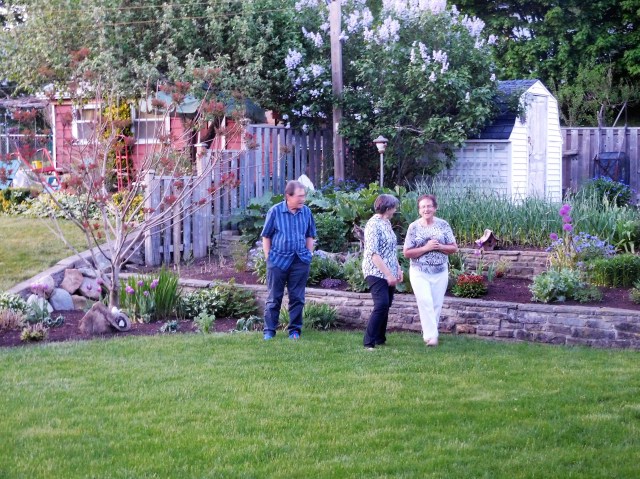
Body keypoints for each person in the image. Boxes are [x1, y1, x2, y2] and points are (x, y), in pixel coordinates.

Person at [261, 180, 317, 340]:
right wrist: (268, 258)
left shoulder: (306, 212)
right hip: (277, 261)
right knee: (274, 298)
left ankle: (294, 331)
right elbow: (266, 236)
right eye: (299, 196)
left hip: (300, 261)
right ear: (288, 196)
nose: (303, 199)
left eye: (304, 196)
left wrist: (309, 255)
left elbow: (310, 234)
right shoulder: (275, 211)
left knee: (297, 298)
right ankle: (269, 331)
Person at [403, 194, 458, 347]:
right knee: (425, 301)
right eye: (423, 207)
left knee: (436, 304)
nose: (426, 209)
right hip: (419, 271)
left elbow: (454, 247)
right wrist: (425, 248)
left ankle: (431, 334)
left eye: (429, 206)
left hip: (440, 271)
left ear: (435, 208)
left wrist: (440, 247)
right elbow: (407, 252)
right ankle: (432, 336)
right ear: (419, 210)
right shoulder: (413, 227)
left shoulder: (443, 225)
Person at [362, 194, 403, 350]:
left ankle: (380, 338)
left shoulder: (386, 223)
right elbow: (373, 253)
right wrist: (387, 274)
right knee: (381, 304)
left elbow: (391, 250)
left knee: (387, 304)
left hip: (389, 269)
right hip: (375, 270)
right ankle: (368, 342)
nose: (395, 210)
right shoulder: (373, 225)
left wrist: (397, 269)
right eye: (394, 208)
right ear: (388, 208)